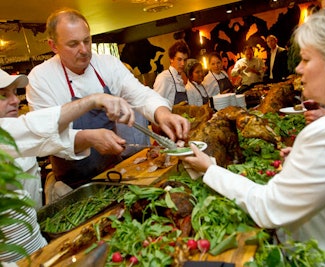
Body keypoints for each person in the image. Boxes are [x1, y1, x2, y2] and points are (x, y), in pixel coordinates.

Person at [181, 0, 325, 266]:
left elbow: (268, 208)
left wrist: (210, 169)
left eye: (307, 59)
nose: (298, 68)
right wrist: (306, 160)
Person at [26, 8, 190, 189]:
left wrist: (163, 114)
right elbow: (45, 138)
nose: (84, 50)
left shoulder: (106, 64)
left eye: (87, 41)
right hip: (73, 184)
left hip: (114, 171)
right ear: (53, 46)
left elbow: (140, 94)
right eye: (73, 44)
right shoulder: (40, 78)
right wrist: (88, 138)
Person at [0, 68, 135, 209]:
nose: (15, 100)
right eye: (3, 95)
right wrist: (93, 100)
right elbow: (37, 127)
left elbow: (56, 139)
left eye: (15, 93)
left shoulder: (18, 131)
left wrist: (92, 137)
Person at [153, 40, 190, 107]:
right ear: (171, 59)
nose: (183, 64)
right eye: (179, 59)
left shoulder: (180, 78)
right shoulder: (164, 77)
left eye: (185, 60)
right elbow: (156, 106)